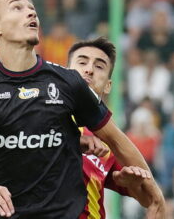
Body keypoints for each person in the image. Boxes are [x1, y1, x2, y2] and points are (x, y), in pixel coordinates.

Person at [0, 0, 164, 218]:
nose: (31, 13)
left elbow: (117, 139)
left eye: (32, 8)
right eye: (17, 7)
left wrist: (156, 195)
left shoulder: (68, 82)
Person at [66, 38, 162, 218]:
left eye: (99, 66)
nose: (89, 69)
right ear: (64, 73)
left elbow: (146, 199)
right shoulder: (41, 115)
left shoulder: (109, 142)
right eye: (82, 62)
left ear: (108, 85)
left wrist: (131, 183)